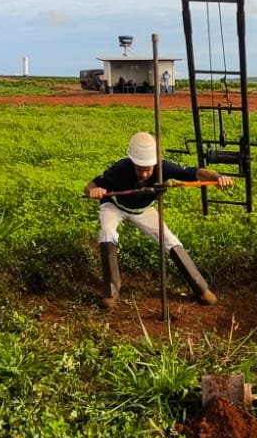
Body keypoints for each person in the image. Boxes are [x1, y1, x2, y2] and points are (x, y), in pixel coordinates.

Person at [85, 131, 233, 309]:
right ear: (132, 162)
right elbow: (92, 185)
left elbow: (195, 173)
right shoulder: (120, 169)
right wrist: (94, 191)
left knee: (169, 239)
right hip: (114, 206)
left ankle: (201, 288)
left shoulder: (163, 168)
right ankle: (110, 291)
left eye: (148, 169)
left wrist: (217, 177)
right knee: (107, 231)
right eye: (139, 169)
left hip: (142, 209)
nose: (144, 174)